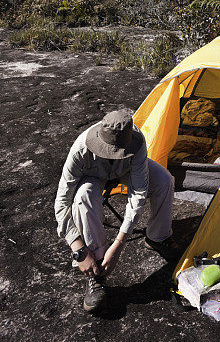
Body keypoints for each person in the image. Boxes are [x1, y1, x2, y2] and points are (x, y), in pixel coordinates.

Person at [54, 109, 177, 313]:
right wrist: (78, 249)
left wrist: (119, 244)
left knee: (164, 180)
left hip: (126, 171)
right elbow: (61, 201)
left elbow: (139, 193)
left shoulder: (136, 142)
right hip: (92, 175)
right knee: (83, 197)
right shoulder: (80, 150)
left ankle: (157, 236)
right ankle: (97, 269)